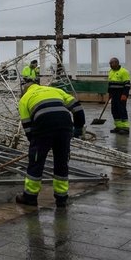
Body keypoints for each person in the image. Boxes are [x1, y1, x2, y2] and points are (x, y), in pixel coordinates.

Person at [15, 79, 85, 209]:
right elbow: (77, 108)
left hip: (43, 127)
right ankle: (61, 198)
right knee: (61, 162)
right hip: (64, 126)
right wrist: (78, 128)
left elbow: (27, 126)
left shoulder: (25, 99)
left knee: (36, 163)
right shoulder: (55, 90)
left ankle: (30, 197)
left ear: (24, 91)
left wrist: (35, 146)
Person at [107, 57, 131, 134]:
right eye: (110, 63)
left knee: (122, 110)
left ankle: (125, 128)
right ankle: (118, 127)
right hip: (114, 95)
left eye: (112, 63)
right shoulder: (110, 72)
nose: (110, 65)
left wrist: (125, 94)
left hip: (121, 95)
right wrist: (109, 93)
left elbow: (127, 85)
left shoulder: (124, 72)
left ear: (117, 63)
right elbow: (110, 84)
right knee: (114, 111)